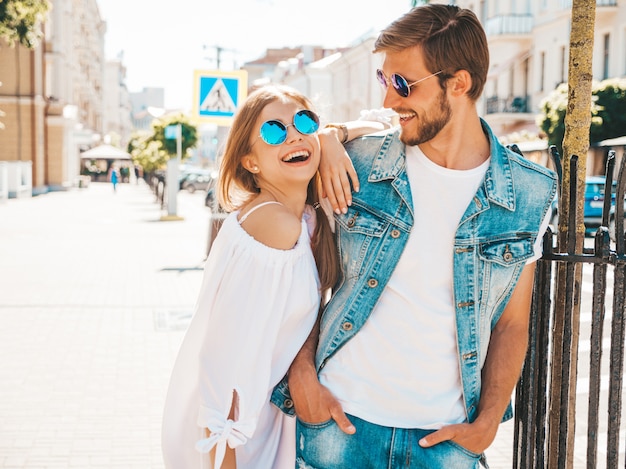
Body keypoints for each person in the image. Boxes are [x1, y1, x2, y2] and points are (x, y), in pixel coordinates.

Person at [271, 5, 558, 469]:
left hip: (446, 440)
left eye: (403, 84)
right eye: (385, 82)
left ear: (459, 84)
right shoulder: (357, 165)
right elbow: (305, 281)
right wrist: (303, 377)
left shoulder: (530, 192)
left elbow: (512, 324)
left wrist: (485, 424)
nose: (389, 101)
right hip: (340, 424)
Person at [161, 85, 386, 469]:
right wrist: (225, 453)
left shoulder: (305, 217)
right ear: (250, 162)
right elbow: (225, 359)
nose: (294, 135)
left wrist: (333, 136)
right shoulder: (274, 226)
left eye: (303, 121)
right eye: (273, 131)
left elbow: (382, 122)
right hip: (235, 436)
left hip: (265, 421)